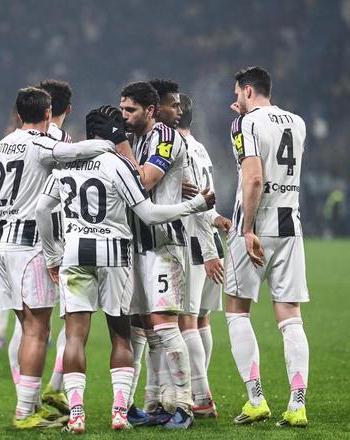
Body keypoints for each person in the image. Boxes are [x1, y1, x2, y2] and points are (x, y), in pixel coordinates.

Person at [35, 106, 216, 433]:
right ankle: (119, 413)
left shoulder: (64, 164)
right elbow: (147, 213)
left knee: (75, 336)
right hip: (114, 253)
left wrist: (52, 255)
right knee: (121, 334)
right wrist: (195, 205)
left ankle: (76, 416)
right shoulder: (117, 164)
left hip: (75, 252)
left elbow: (42, 209)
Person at [0, 87, 128, 430]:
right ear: (48, 114)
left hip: (1, 241)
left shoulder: (1, 145)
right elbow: (75, 150)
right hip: (29, 243)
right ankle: (26, 412)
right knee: (38, 330)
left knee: (26, 326)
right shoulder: (41, 143)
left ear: (18, 113)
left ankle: (32, 402)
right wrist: (110, 143)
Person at [225, 67, 310, 427]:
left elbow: (254, 178)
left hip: (256, 224)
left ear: (247, 91)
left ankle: (256, 399)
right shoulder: (297, 122)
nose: (236, 99)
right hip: (290, 223)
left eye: (238, 93)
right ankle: (297, 404)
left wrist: (247, 229)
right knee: (289, 315)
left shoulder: (245, 124)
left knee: (237, 310)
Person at [117, 81, 195, 429]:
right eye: (122, 109)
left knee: (164, 324)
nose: (124, 116)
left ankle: (184, 405)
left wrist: (118, 150)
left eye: (130, 110)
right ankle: (148, 403)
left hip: (164, 243)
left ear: (149, 111)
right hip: (135, 244)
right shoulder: (133, 139)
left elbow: (144, 181)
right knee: (141, 326)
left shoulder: (164, 136)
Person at [175, 92, 232, 418]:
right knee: (201, 320)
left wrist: (208, 251)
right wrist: (217, 219)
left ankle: (201, 395)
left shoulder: (178, 149)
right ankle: (201, 390)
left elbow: (196, 202)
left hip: (195, 243)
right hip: (210, 238)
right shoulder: (200, 147)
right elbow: (208, 197)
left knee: (185, 321)